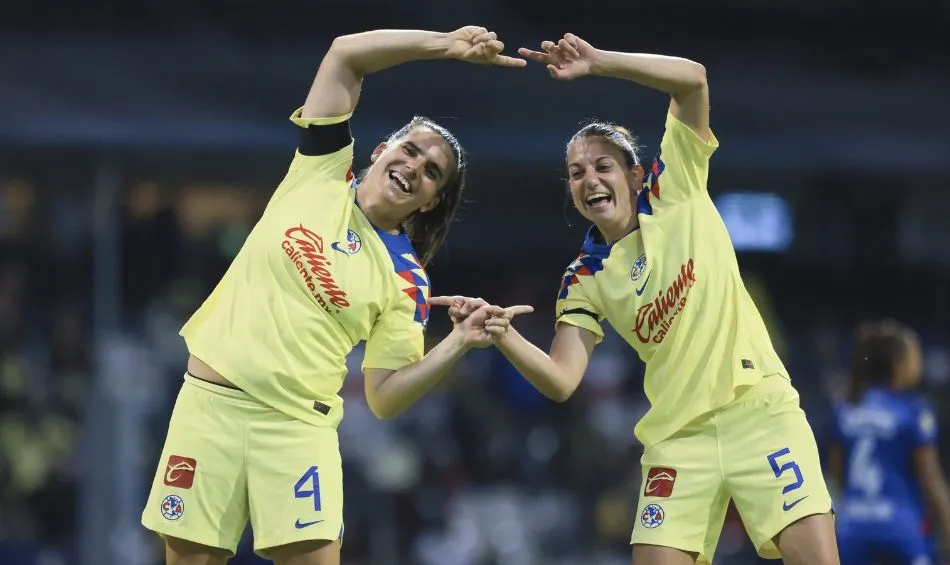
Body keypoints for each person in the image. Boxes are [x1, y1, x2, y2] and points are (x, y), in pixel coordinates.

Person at [433, 33, 838, 565]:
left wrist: (599, 63)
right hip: (676, 440)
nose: (589, 178)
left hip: (758, 412)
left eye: (603, 166)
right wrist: (504, 336)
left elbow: (692, 77)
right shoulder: (583, 277)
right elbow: (561, 379)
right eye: (577, 173)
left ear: (635, 175)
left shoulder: (679, 189)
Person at [140, 27, 527, 565]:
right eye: (410, 150)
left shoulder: (407, 280)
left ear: (431, 202)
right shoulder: (319, 172)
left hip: (298, 429)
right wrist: (445, 46)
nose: (414, 166)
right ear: (381, 148)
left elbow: (385, 396)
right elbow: (346, 54)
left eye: (431, 172)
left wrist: (457, 342)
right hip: (211, 408)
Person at [830, 320, 950, 565]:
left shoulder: (845, 412)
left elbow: (838, 475)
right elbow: (931, 480)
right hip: (901, 530)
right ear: (899, 363)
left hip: (853, 530)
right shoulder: (913, 410)